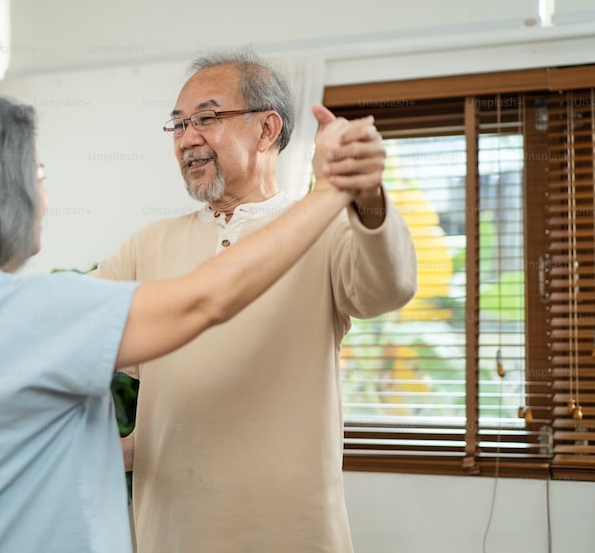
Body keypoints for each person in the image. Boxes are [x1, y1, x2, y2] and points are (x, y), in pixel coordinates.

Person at [0, 95, 376, 553]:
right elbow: (207, 300)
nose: (45, 199)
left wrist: (165, 445)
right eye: (40, 175)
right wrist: (331, 190)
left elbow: (10, 461)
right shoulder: (34, 309)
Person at [98, 51, 418, 553]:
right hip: (172, 532)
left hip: (292, 532)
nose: (187, 139)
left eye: (206, 118)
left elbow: (388, 288)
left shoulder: (324, 226)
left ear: (267, 129)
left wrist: (365, 194)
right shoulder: (147, 245)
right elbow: (76, 333)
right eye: (178, 125)